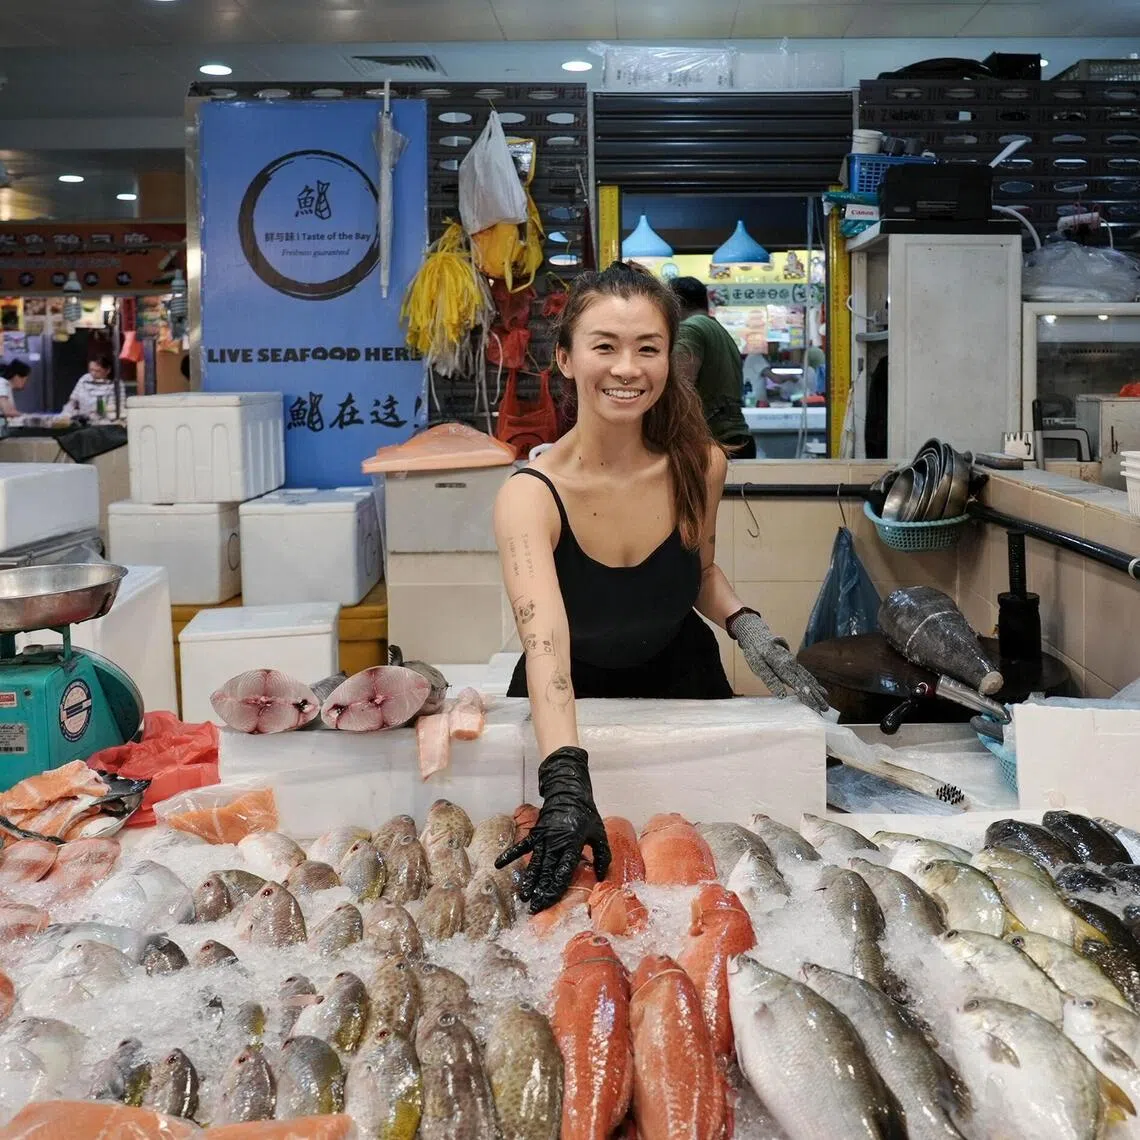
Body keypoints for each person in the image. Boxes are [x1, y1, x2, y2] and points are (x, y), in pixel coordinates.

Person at [492, 264, 830, 913]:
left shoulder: (700, 464)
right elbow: (545, 646)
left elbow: (698, 573)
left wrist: (746, 625)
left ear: (669, 358)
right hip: (573, 709)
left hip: (686, 689)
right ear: (565, 357)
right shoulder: (529, 496)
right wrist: (564, 779)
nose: (627, 367)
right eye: (605, 346)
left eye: (647, 348)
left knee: (706, 884)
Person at [669, 276, 756, 459]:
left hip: (714, 443)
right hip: (737, 438)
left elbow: (680, 389)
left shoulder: (689, 330)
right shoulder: (719, 330)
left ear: (676, 302)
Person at [62, 353, 124, 419]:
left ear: (108, 370)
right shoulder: (85, 379)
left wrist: (98, 411)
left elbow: (118, 407)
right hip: (83, 419)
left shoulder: (116, 384)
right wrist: (66, 414)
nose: (93, 373)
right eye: (91, 370)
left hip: (104, 421)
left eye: (97, 371)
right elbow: (73, 400)